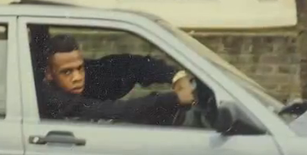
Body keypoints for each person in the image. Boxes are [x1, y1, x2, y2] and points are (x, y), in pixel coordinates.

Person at [37, 33, 196, 124]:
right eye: (67, 72)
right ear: (48, 74)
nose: (77, 77)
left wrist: (176, 77)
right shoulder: (52, 98)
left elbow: (131, 65)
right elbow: (114, 111)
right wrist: (173, 99)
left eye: (80, 68)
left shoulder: (83, 74)